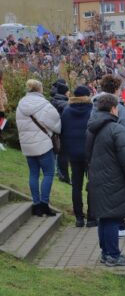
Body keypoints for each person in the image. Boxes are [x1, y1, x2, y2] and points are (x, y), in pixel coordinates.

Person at [86, 93, 125, 267]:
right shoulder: (117, 129)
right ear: (113, 108)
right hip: (113, 180)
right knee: (112, 218)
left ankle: (106, 253)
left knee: (104, 217)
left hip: (97, 177)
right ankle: (113, 255)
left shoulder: (91, 128)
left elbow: (87, 154)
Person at [16, 79, 61, 216]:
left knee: (33, 174)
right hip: (43, 143)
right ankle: (44, 204)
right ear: (40, 89)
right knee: (48, 173)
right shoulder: (44, 104)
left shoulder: (21, 104)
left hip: (28, 145)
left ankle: (36, 205)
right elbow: (56, 123)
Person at [61, 85, 94, 227]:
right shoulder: (92, 110)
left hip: (73, 153)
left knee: (76, 185)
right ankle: (92, 218)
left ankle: (79, 218)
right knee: (92, 185)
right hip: (90, 153)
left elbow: (63, 131)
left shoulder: (67, 111)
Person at [0, 70, 7, 151]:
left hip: (2, 109)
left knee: (1, 125)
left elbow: (5, 100)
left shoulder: (1, 85)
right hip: (1, 109)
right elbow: (4, 100)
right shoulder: (1, 85)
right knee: (0, 126)